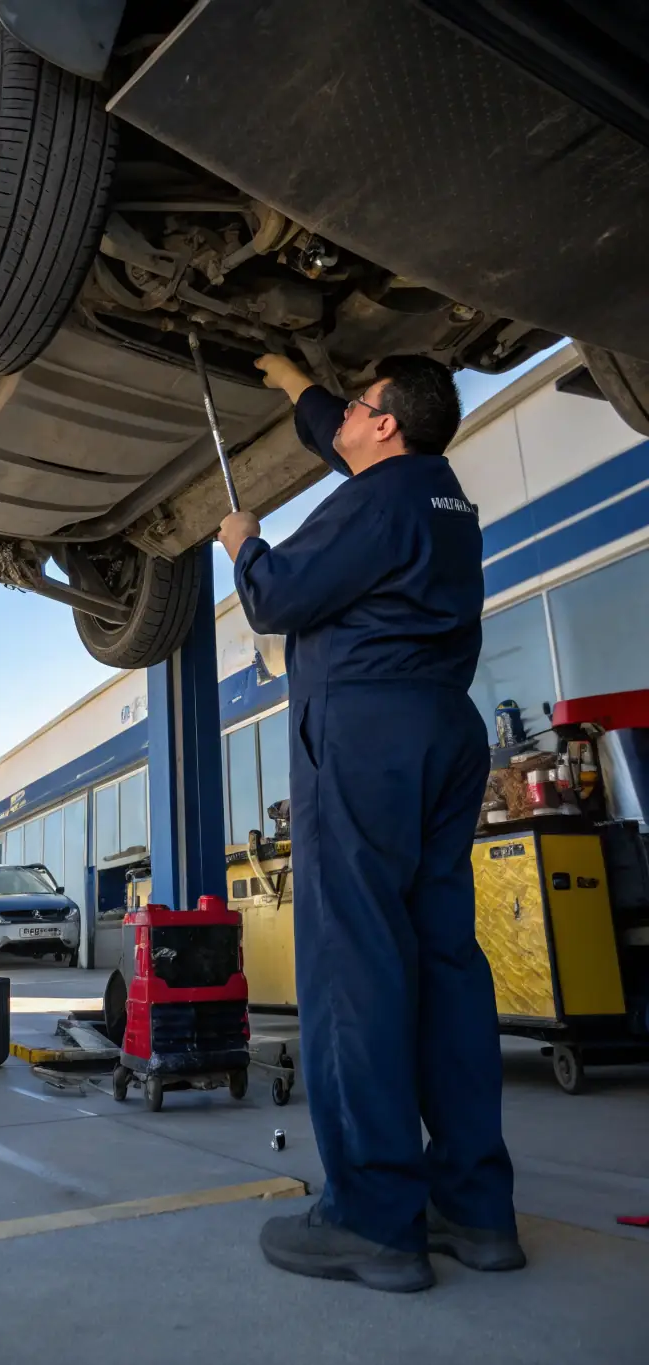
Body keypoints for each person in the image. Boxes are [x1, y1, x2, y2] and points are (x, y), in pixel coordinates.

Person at [217, 353, 523, 1294]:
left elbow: (275, 598)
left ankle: (372, 1220)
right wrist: (289, 380)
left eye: (356, 405)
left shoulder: (370, 502)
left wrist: (243, 543)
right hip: (442, 733)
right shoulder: (443, 500)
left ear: (386, 425)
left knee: (354, 967)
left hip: (365, 735)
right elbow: (338, 433)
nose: (343, 415)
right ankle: (475, 1212)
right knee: (443, 966)